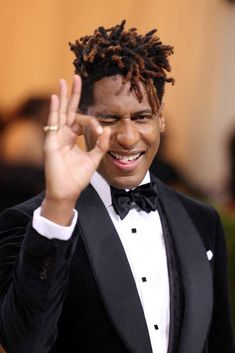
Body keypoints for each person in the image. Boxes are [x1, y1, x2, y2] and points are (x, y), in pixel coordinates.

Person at [0, 20, 234, 353]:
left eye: (141, 117)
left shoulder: (202, 221)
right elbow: (24, 343)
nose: (126, 138)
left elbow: (219, 340)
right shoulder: (30, 224)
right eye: (108, 119)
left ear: (160, 118)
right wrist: (59, 206)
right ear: (81, 121)